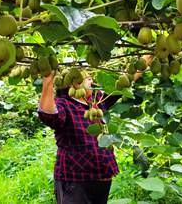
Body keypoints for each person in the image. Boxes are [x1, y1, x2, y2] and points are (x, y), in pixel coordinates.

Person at [38, 65, 144, 204]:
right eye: (89, 79)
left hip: (102, 178)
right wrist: (48, 80)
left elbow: (124, 82)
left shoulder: (96, 101)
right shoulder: (64, 104)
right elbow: (48, 115)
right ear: (76, 82)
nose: (92, 82)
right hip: (76, 181)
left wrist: (147, 58)